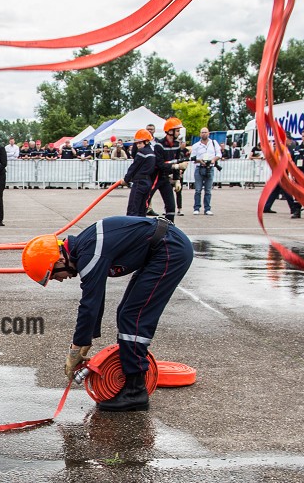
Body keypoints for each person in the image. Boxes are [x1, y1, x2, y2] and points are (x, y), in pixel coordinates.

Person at [21, 215, 194, 412]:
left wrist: (76, 350)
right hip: (162, 249)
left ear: (60, 259)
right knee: (126, 313)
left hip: (170, 250)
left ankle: (135, 391)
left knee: (133, 317)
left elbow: (90, 304)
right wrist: (85, 342)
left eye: (53, 275)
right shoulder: (85, 249)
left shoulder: (89, 255)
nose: (59, 280)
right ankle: (131, 376)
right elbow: (96, 299)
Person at [122, 128, 159, 217]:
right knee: (142, 209)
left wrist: (126, 179)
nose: (138, 145)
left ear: (146, 142)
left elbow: (134, 167)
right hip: (147, 183)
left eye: (140, 143)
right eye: (137, 143)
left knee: (133, 209)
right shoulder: (152, 153)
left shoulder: (142, 152)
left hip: (139, 182)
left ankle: (131, 228)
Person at [188, 126, 222, 216]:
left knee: (208, 190)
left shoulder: (214, 143)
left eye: (205, 132)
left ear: (208, 133)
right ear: (200, 134)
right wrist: (200, 161)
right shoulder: (196, 145)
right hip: (199, 168)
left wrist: (213, 160)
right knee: (198, 190)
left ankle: (207, 208)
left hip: (210, 167)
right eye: (202, 132)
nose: (204, 134)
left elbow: (219, 154)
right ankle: (196, 208)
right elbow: (192, 158)